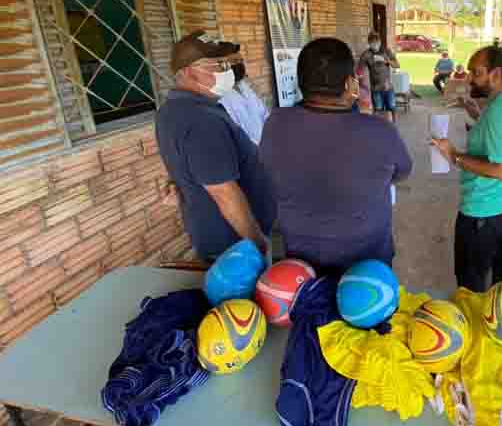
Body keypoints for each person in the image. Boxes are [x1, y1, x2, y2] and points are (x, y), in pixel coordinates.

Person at [259, 38, 412, 272]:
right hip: (367, 264)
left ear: (300, 82)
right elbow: (402, 172)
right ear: (350, 83)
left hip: (302, 262)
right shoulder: (379, 130)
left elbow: (269, 168)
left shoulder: (275, 124)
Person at [155, 31, 275, 263]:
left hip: (222, 238)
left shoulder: (178, 109)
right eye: (218, 65)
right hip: (234, 245)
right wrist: (259, 244)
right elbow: (223, 192)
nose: (227, 70)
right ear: (189, 72)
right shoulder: (201, 120)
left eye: (226, 63)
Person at [431, 46, 502, 292]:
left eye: (476, 73)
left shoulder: (500, 110)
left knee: (471, 283)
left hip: (484, 212)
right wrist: (476, 114)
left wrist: (453, 155)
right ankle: (500, 319)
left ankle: (476, 323)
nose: (469, 78)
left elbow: (501, 170)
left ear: (495, 74)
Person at [219, 51, 270, 145]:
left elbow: (263, 113)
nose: (239, 64)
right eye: (235, 61)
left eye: (241, 60)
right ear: (224, 65)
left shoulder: (245, 87)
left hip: (265, 145)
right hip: (247, 153)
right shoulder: (221, 96)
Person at [359, 32, 400, 122]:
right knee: (378, 109)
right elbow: (359, 69)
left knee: (392, 107)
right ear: (369, 43)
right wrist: (361, 81)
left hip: (388, 86)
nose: (375, 45)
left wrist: (386, 60)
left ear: (380, 42)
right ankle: (379, 128)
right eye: (372, 43)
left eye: (376, 42)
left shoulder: (386, 51)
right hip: (376, 88)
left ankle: (393, 125)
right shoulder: (366, 54)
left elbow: (397, 65)